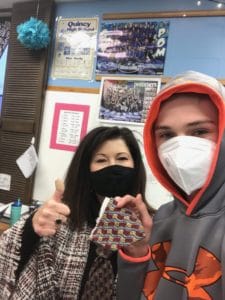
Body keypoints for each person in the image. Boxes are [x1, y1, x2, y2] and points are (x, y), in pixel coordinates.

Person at [0, 125, 154, 300]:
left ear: (135, 165)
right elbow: (9, 255)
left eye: (122, 158)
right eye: (101, 160)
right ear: (86, 169)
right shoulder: (61, 219)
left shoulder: (150, 225)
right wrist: (31, 226)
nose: (113, 167)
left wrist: (138, 253)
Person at [116, 70, 225, 299]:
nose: (181, 146)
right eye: (166, 135)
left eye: (200, 131)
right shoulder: (162, 219)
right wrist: (137, 252)